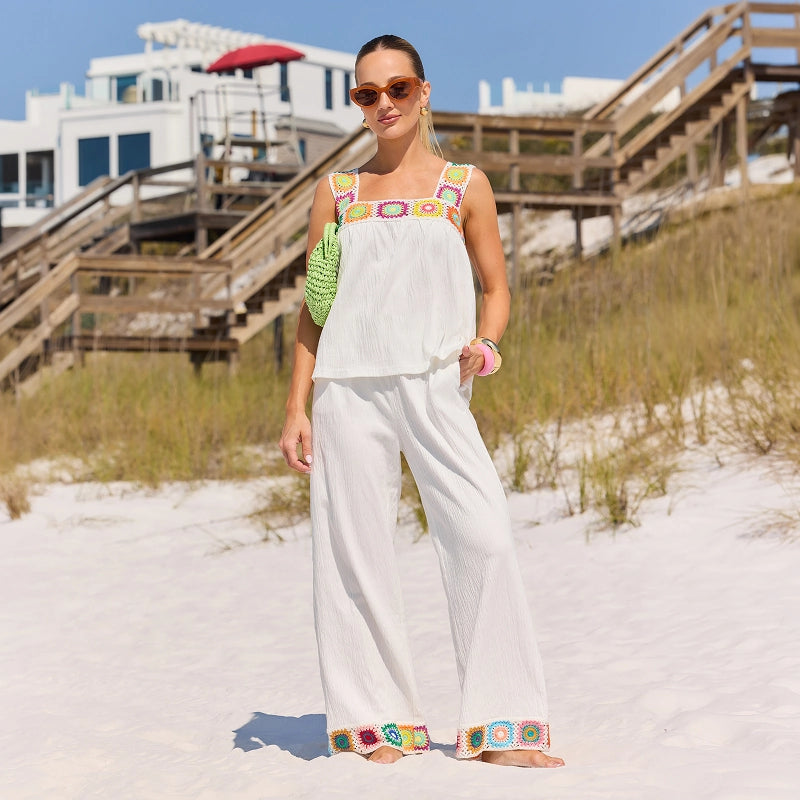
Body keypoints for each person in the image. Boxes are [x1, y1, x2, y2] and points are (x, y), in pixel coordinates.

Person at [279, 34, 564, 769]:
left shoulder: (464, 186)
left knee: (484, 535)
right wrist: (296, 408)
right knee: (356, 556)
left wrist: (488, 345)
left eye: (397, 89)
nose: (384, 105)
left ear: (425, 91)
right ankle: (376, 724)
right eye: (367, 95)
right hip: (348, 390)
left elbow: (496, 289)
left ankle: (503, 727)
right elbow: (315, 307)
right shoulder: (336, 195)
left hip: (437, 384)